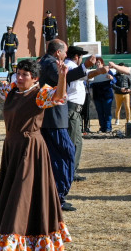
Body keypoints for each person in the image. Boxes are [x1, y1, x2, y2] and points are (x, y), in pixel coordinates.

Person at [0, 47, 72, 251]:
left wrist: (62, 77)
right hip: (12, 149)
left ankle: (13, 237)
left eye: (24, 75)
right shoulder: (9, 91)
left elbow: (58, 96)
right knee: (11, 192)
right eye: (18, 74)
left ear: (35, 78)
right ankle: (18, 238)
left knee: (22, 193)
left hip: (31, 150)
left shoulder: (39, 94)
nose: (19, 78)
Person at [38, 39, 94, 211]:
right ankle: (59, 196)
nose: (65, 55)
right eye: (64, 52)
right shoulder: (50, 63)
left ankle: (52, 195)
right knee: (64, 154)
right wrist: (84, 66)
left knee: (56, 156)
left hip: (50, 117)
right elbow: (64, 77)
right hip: (54, 118)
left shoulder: (43, 61)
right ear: (58, 53)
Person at [65, 46, 109, 182]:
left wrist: (98, 71)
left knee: (76, 140)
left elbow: (86, 75)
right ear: (77, 57)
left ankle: (71, 171)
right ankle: (70, 172)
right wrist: (94, 69)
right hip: (71, 108)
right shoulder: (70, 66)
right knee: (74, 141)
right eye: (81, 57)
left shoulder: (72, 66)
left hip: (74, 109)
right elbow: (81, 74)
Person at [91, 57, 116, 133]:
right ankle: (102, 127)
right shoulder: (93, 72)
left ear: (102, 63)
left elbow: (115, 80)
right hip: (97, 95)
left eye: (99, 62)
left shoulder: (107, 71)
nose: (97, 64)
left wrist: (111, 78)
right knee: (100, 112)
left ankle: (108, 128)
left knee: (107, 112)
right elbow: (88, 83)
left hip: (106, 95)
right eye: (96, 63)